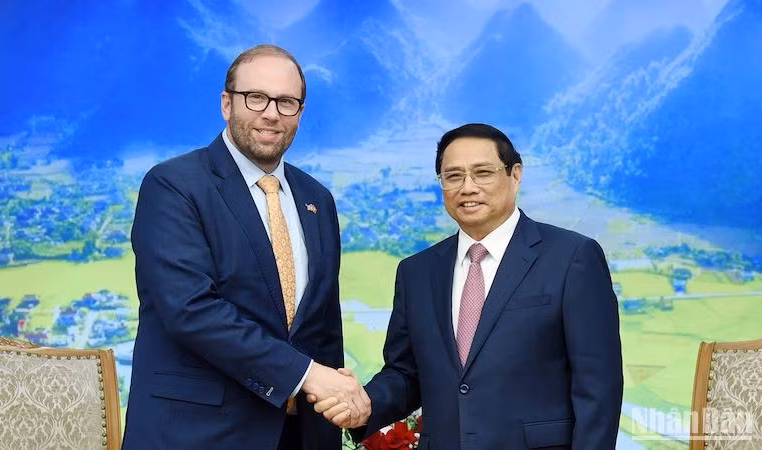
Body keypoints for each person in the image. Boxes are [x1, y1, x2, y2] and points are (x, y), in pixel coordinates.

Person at [314, 123, 623, 449]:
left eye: (483, 172)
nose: (468, 187)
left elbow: (598, 389)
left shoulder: (572, 257)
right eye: (453, 176)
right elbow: (407, 374)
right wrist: (364, 404)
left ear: (515, 175)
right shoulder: (416, 272)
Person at [123, 44, 368, 450]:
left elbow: (323, 328)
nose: (272, 113)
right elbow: (191, 311)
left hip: (297, 436)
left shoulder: (316, 199)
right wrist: (308, 375)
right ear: (226, 104)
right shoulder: (174, 185)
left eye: (287, 102)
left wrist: (334, 413)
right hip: (196, 434)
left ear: (300, 114)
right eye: (256, 98)